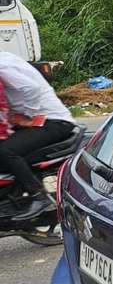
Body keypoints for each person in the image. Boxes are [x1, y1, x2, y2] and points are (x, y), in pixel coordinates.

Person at [0, 50, 76, 221]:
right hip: (36, 120)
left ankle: (39, 196)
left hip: (53, 121)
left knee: (6, 150)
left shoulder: (2, 65)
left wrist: (28, 115)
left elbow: (31, 88)